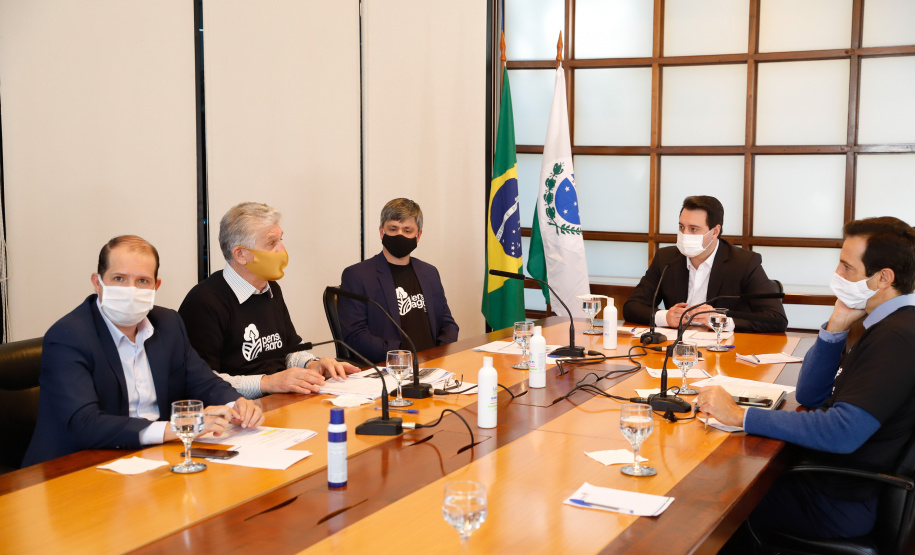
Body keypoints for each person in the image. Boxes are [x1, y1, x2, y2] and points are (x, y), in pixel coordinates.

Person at [697, 216, 915, 542]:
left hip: (836, 502)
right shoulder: (888, 325)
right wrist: (836, 325)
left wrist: (740, 415)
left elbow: (842, 431)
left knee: (707, 502)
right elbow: (811, 395)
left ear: (883, 277)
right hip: (831, 485)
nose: (837, 276)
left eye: (846, 268)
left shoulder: (896, 339)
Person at [23, 236, 263, 466]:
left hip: (155, 457)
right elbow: (84, 424)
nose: (130, 289)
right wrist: (180, 427)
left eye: (142, 281)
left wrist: (237, 404)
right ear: (98, 282)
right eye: (118, 279)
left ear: (156, 286)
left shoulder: (168, 323)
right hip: (73, 467)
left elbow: (204, 382)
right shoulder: (68, 336)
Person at [179, 202, 358, 399]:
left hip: (282, 403)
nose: (282, 249)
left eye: (281, 240)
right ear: (240, 254)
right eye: (272, 243)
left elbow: (289, 351)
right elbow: (201, 382)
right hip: (238, 413)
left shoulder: (270, 288)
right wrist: (266, 382)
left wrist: (312, 363)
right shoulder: (203, 303)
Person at [623, 195, 787, 333]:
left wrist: (721, 321)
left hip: (724, 353)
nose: (684, 234)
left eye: (693, 229)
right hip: (676, 348)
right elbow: (632, 307)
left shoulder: (744, 263)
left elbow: (776, 319)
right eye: (681, 227)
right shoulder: (665, 258)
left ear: (715, 231)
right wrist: (664, 317)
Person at [338, 198, 459, 363]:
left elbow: (448, 324)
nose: (399, 235)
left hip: (433, 365)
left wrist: (439, 353)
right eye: (393, 229)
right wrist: (400, 358)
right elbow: (355, 335)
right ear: (382, 232)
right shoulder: (357, 275)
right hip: (390, 370)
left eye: (407, 230)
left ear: (418, 235)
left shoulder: (430, 272)